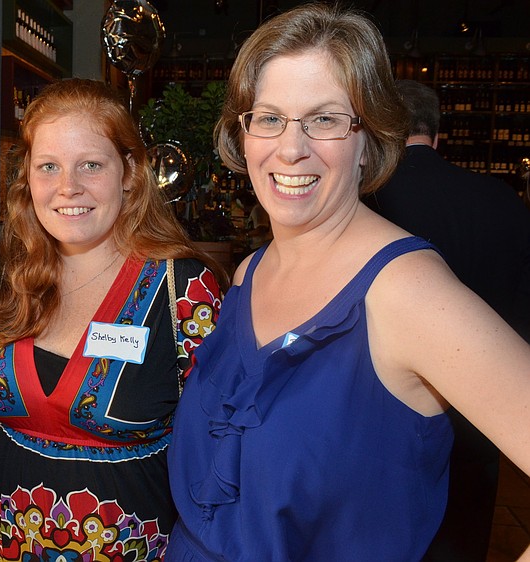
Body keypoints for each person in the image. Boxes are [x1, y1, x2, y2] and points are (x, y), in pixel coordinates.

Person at [166, 4, 530, 561]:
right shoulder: (251, 272)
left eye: (326, 119)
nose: (291, 148)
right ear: (242, 134)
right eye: (268, 117)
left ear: (371, 138)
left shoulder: (406, 293)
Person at [0, 78, 226, 560]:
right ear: (28, 175)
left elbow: (223, 450)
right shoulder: (7, 278)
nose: (69, 187)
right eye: (49, 166)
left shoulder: (184, 290)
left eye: (91, 164)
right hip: (4, 541)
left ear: (129, 171)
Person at [365, 79, 530, 562]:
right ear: (437, 136)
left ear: (382, 133)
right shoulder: (501, 199)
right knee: (466, 531)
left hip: (388, 412)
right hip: (486, 415)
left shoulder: (366, 201)